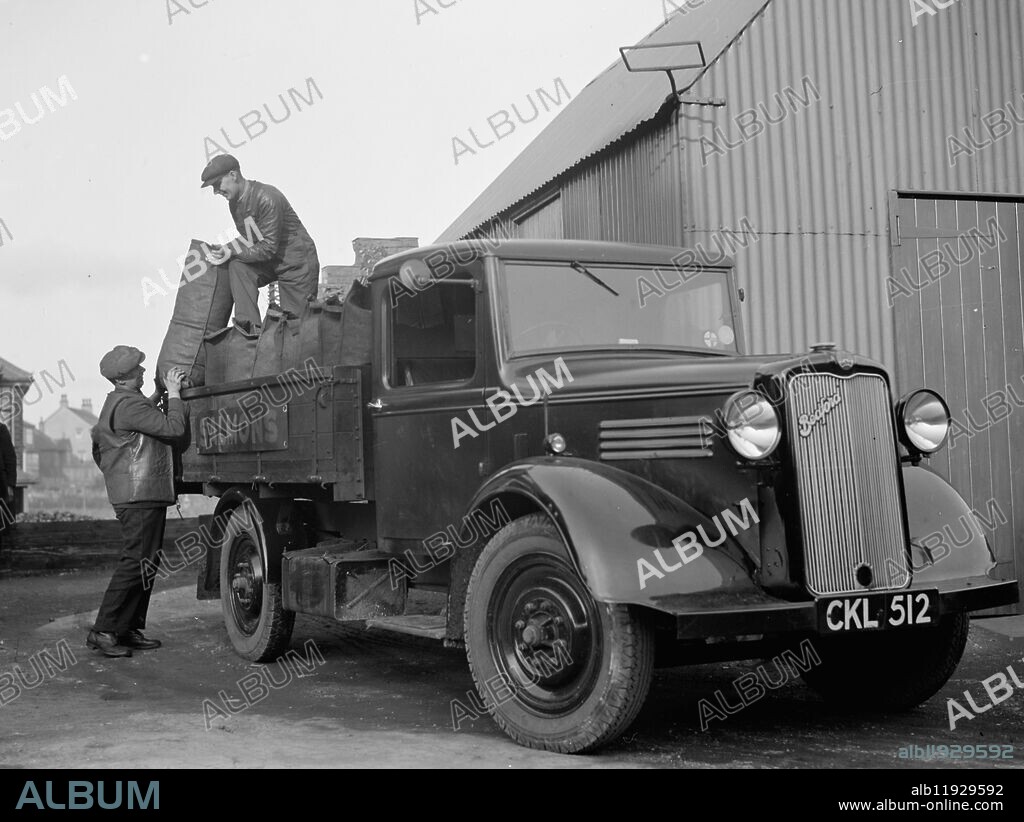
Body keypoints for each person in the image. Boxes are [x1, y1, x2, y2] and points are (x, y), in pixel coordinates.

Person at [88, 346, 188, 658]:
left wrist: (158, 392)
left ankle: (126, 628)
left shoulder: (118, 402)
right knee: (135, 563)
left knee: (144, 564)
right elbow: (174, 429)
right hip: (140, 494)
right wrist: (173, 394)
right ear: (126, 377)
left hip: (136, 493)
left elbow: (134, 422)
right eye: (138, 370)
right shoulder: (129, 406)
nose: (144, 372)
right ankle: (103, 630)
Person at [200, 154, 320, 332]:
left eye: (217, 184)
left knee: (297, 332)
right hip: (273, 261)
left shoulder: (267, 197)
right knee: (238, 267)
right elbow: (250, 238)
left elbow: (268, 247)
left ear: (233, 175)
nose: (216, 192)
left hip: (297, 264)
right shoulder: (235, 203)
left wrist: (232, 252)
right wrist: (227, 249)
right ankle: (249, 332)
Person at [0, 421, 16, 550]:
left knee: (4, 530)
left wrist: (10, 486)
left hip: (2, 488)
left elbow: (10, 458)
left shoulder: (1, 430)